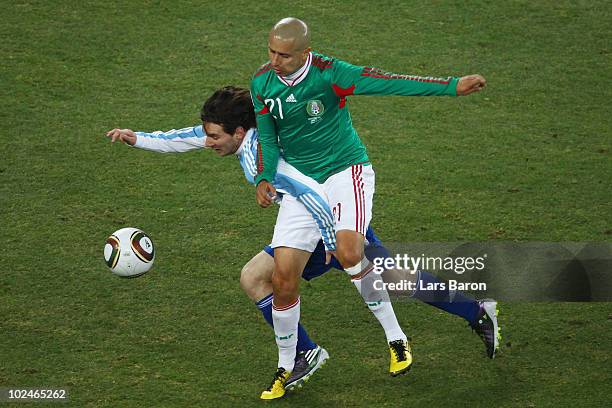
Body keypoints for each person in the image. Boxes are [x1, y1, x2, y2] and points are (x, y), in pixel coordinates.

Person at [251, 17, 497, 399]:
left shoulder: (330, 74)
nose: (275, 60)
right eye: (271, 51)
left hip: (344, 173)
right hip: (303, 186)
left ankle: (397, 338)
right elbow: (268, 134)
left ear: (304, 52)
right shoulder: (262, 82)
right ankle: (287, 364)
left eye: (284, 55)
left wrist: (452, 87)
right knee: (283, 279)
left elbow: (388, 82)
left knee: (353, 253)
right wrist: (264, 177)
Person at [106, 86, 403, 391]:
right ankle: (307, 351)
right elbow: (185, 137)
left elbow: (311, 195)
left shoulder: (261, 157)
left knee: (396, 276)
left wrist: (330, 239)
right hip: (308, 213)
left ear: (238, 132)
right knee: (258, 277)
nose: (208, 143)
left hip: (322, 213)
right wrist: (137, 138)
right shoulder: (243, 134)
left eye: (214, 137)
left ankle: (328, 348)